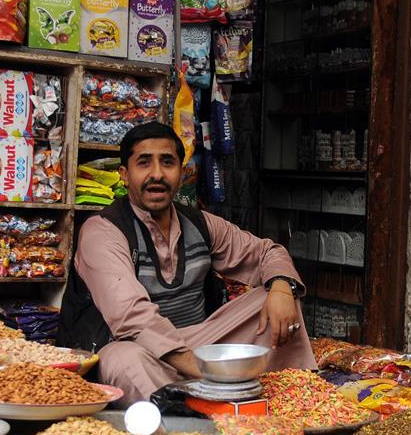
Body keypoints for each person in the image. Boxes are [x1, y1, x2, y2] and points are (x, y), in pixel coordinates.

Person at [57, 122, 317, 405]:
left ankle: (287, 398)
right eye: (144, 163)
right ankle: (193, 413)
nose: (156, 174)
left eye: (167, 162)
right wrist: (201, 368)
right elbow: (131, 316)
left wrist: (281, 287)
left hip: (199, 344)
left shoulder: (200, 223)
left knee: (279, 296)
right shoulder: (103, 230)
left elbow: (267, 252)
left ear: (181, 174)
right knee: (121, 360)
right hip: (137, 349)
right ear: (124, 175)